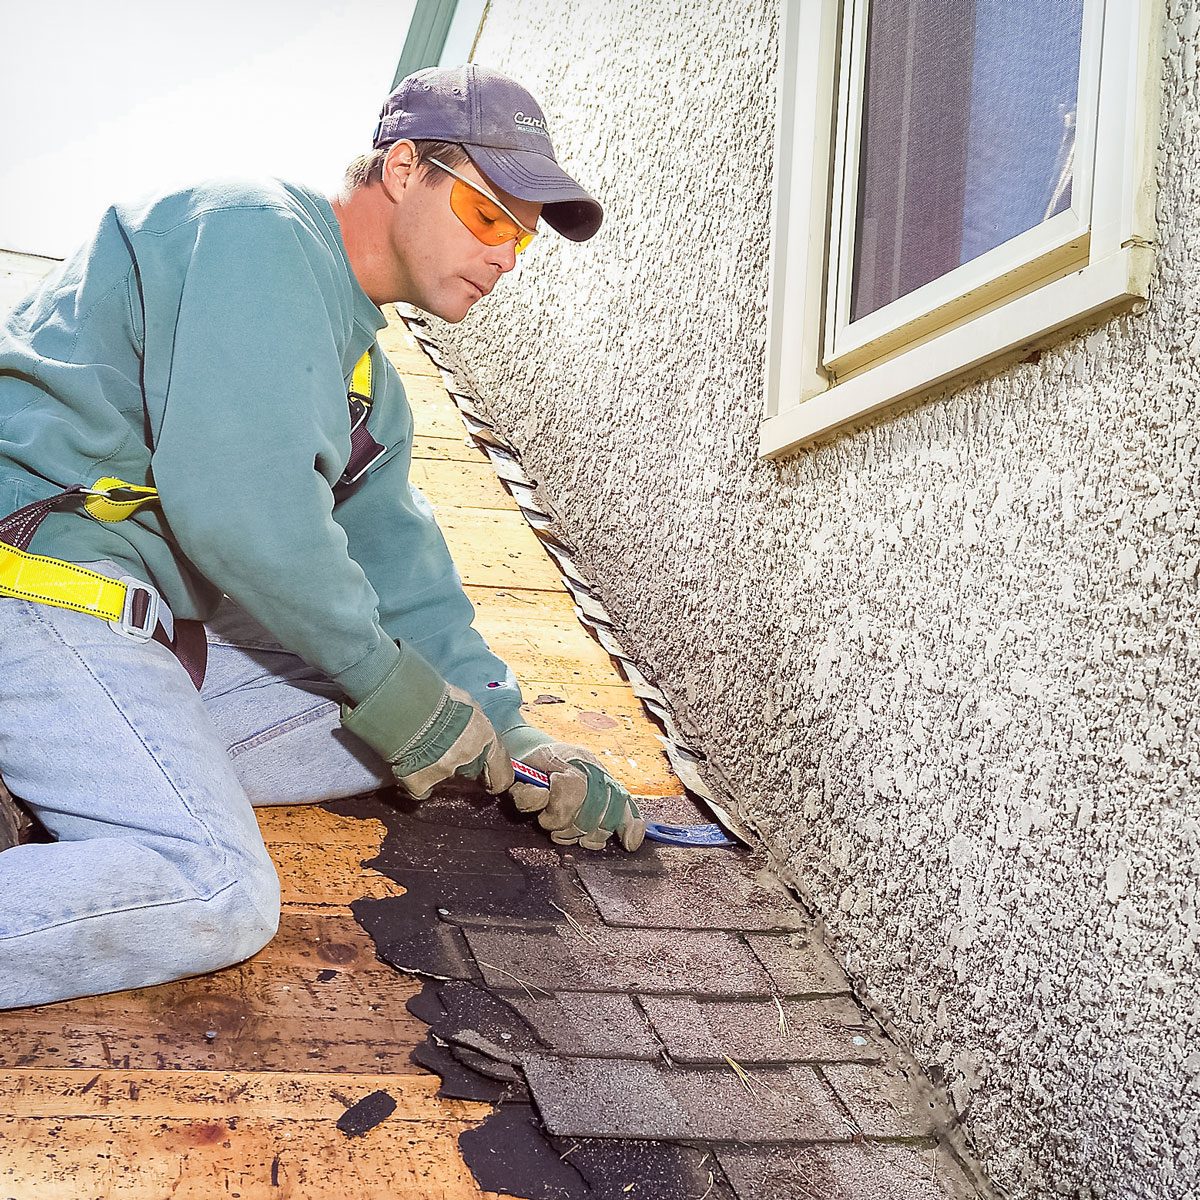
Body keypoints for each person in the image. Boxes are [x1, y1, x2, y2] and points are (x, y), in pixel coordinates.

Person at [0, 64, 645, 1011]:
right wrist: (388, 683)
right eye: (490, 216)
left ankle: (72, 790)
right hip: (37, 586)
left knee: (423, 738)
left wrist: (517, 737)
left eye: (524, 238)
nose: (506, 255)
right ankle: (123, 810)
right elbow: (241, 507)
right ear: (405, 166)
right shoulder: (257, 231)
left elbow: (407, 586)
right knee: (215, 889)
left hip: (128, 635)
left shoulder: (366, 390)